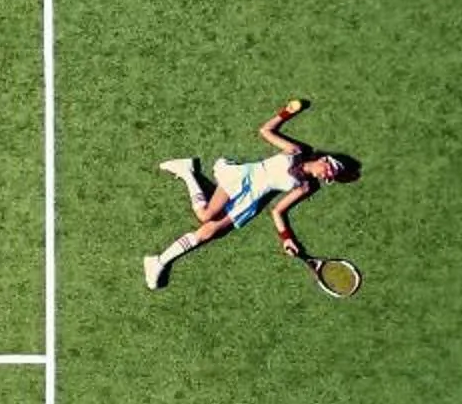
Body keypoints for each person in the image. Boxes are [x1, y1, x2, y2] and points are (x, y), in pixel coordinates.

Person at [143, 99, 360, 289]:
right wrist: (287, 112)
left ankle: (159, 261)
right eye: (330, 170)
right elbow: (265, 131)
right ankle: (187, 172)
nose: (327, 176)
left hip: (251, 199)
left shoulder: (305, 187)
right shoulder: (296, 151)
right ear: (324, 160)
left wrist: (286, 238)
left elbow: (277, 211)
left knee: (208, 232)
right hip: (243, 178)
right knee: (204, 215)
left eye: (330, 178)